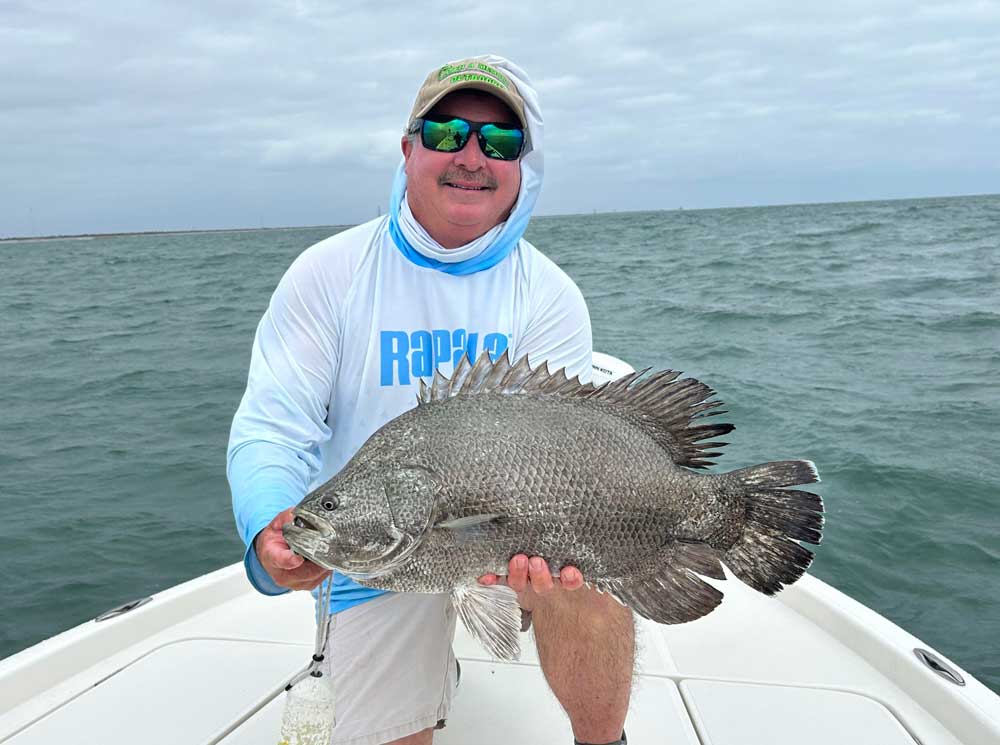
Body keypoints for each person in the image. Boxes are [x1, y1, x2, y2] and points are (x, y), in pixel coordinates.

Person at [227, 55, 634, 745]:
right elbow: (272, 427)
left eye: (499, 142)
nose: (472, 155)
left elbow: (573, 448)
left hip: (520, 540)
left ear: (521, 167)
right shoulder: (329, 273)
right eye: (447, 131)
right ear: (409, 146)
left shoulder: (550, 296)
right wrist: (270, 522)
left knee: (585, 570)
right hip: (381, 552)